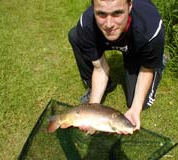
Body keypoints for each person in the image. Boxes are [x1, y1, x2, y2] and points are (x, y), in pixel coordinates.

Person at [68, 0, 165, 133]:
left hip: (136, 44)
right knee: (75, 35)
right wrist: (92, 109)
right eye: (101, 14)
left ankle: (156, 60)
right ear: (93, 8)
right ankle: (106, 86)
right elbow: (99, 69)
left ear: (130, 6)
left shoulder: (150, 29)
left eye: (117, 13)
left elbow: (145, 71)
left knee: (138, 103)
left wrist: (135, 110)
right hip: (104, 39)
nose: (109, 24)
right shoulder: (86, 24)